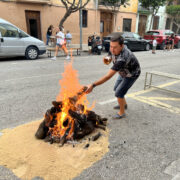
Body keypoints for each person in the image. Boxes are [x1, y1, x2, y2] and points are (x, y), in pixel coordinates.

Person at [85, 32, 141, 119]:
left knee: (118, 93)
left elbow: (108, 76)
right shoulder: (114, 48)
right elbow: (109, 56)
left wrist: (93, 85)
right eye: (111, 46)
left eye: (114, 47)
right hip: (123, 71)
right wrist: (108, 59)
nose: (112, 49)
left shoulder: (123, 57)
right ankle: (124, 104)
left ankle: (122, 112)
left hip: (131, 74)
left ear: (122, 46)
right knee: (116, 89)